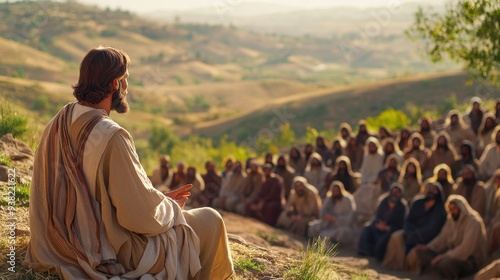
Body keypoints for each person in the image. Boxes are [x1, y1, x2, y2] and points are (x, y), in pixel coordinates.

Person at [24, 47, 233, 279]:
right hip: (107, 250)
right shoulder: (111, 136)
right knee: (211, 219)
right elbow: (139, 219)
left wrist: (159, 199)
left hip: (56, 243)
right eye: (126, 80)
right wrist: (169, 208)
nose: (126, 86)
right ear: (115, 84)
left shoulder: (58, 120)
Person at [414, 195, 487, 279]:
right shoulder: (451, 219)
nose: (452, 212)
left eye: (454, 209)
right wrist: (427, 247)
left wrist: (445, 256)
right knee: (422, 252)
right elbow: (442, 238)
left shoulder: (473, 221)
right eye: (450, 209)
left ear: (461, 208)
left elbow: (465, 249)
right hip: (452, 253)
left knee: (445, 263)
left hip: (470, 260)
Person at [382, 182, 447, 272]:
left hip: (426, 239)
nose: (431, 191)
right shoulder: (417, 203)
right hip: (410, 233)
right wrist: (409, 232)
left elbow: (433, 229)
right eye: (429, 189)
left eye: (434, 190)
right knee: (396, 236)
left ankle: (410, 269)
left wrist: (416, 235)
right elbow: (408, 220)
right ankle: (394, 264)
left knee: (416, 250)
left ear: (439, 193)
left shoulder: (440, 211)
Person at [358, 183, 407, 261]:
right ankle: (365, 251)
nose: (395, 194)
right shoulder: (384, 201)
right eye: (393, 192)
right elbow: (377, 215)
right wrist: (378, 223)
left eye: (397, 192)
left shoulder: (402, 206)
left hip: (391, 229)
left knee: (384, 238)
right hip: (379, 225)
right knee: (367, 228)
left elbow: (401, 223)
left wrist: (388, 228)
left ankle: (378, 256)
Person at [311, 181, 356, 245]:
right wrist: (326, 216)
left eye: (337, 190)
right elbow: (323, 211)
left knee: (341, 233)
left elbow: (350, 216)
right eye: (334, 191)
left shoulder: (347, 200)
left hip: (343, 225)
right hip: (329, 225)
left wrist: (336, 219)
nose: (336, 192)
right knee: (314, 227)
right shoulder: (329, 199)